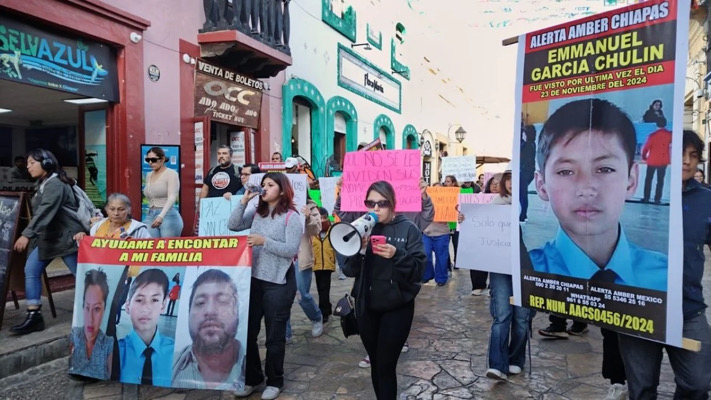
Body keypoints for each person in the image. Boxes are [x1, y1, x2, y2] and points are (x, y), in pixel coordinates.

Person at [529, 99, 667, 290]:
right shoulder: (527, 272)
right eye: (566, 171)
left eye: (605, 169)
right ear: (542, 185)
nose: (586, 189)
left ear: (631, 180)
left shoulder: (666, 277)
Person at [618, 130, 711, 399]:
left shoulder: (706, 199)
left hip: (688, 308)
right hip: (637, 306)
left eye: (693, 156)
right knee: (643, 387)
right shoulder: (631, 199)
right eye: (680, 153)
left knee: (697, 384)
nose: (687, 161)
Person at [341, 181, 426, 400]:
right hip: (366, 307)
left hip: (397, 309)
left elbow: (419, 271)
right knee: (376, 363)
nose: (376, 208)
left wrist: (396, 254)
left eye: (382, 203)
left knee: (386, 365)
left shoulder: (408, 229)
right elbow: (349, 270)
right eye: (371, 203)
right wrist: (358, 249)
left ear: (392, 204)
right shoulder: (362, 228)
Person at [229, 172, 301, 400]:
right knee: (247, 332)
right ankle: (252, 377)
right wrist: (244, 199)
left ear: (282, 189)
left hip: (278, 283)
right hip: (254, 280)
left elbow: (291, 250)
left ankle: (275, 380)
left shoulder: (291, 217)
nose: (265, 188)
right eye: (263, 185)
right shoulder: (257, 213)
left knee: (274, 335)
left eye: (270, 185)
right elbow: (232, 225)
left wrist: (264, 242)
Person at [11, 148, 87, 335]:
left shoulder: (55, 184)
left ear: (46, 163)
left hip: (67, 237)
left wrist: (27, 234)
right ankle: (34, 316)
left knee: (83, 276)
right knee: (31, 270)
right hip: (49, 238)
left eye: (32, 163)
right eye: (27, 163)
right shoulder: (43, 183)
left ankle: (96, 312)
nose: (28, 167)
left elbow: (45, 210)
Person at [482, 171, 536, 381]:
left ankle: (516, 360)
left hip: (526, 268)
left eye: (516, 179)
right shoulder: (496, 204)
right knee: (502, 314)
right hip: (501, 266)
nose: (512, 184)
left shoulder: (534, 205)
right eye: (508, 180)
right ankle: (497, 365)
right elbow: (481, 227)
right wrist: (465, 219)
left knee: (522, 317)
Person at [172, 269, 243, 390]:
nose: (210, 311)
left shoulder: (252, 368)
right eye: (200, 303)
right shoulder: (164, 364)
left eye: (223, 301)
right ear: (189, 313)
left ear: (237, 311)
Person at [118, 268, 174, 386]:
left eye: (154, 300)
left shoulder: (177, 354)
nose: (146, 308)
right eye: (139, 300)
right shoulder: (115, 352)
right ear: (128, 306)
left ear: (163, 305)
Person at [285, 201, 323, 342]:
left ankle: (316, 317)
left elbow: (315, 230)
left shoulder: (311, 207)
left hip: (300, 257)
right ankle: (285, 332)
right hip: (281, 256)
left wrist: (308, 217)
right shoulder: (276, 203)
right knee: (282, 296)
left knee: (301, 293)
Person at [69, 268, 114, 380]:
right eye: (87, 307)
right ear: (83, 306)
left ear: (105, 309)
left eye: (97, 309)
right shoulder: (74, 334)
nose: (90, 318)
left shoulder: (109, 344)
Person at [143, 147, 183, 237]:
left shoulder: (171, 174)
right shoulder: (148, 175)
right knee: (150, 247)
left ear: (162, 159)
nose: (150, 162)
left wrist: (161, 216)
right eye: (147, 160)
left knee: (168, 248)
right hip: (150, 214)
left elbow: (172, 196)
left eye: (153, 160)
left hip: (168, 215)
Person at [80, 193, 151, 241]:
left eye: (121, 209)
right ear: (106, 209)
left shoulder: (139, 229)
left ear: (129, 210)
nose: (116, 213)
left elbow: (149, 251)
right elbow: (89, 250)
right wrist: (82, 238)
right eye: (112, 209)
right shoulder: (98, 226)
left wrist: (136, 244)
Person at [422, 182, 452, 286]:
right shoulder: (426, 202)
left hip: (442, 233)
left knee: (441, 257)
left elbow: (453, 213)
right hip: (427, 232)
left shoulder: (448, 203)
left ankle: (441, 278)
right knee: (425, 255)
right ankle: (426, 275)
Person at [313, 207, 336, 323]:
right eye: (320, 218)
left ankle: (324, 312)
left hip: (327, 263)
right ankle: (327, 307)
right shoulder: (312, 231)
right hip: (316, 264)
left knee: (324, 289)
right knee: (320, 288)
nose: (322, 220)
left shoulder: (332, 230)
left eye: (324, 217)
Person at [640, 117, 671, 204]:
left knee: (648, 179)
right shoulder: (670, 135)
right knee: (660, 180)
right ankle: (657, 199)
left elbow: (646, 148)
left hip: (652, 160)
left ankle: (646, 198)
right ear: (665, 124)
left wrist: (644, 157)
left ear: (656, 124)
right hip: (664, 160)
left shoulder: (652, 135)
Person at [520, 125, 537, 222]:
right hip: (529, 172)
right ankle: (523, 215)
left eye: (523, 132)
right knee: (523, 194)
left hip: (524, 172)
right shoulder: (532, 143)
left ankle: (523, 216)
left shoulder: (526, 145)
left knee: (522, 195)